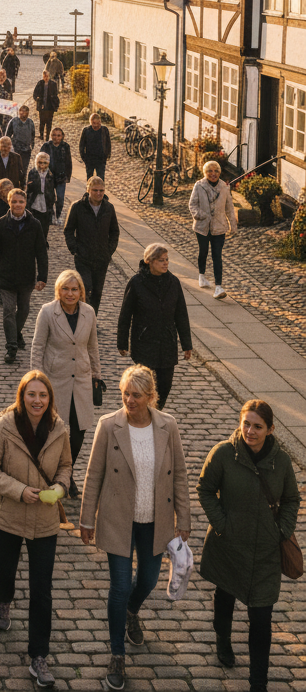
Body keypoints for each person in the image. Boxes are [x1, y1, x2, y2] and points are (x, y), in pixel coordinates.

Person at [80, 365, 191, 692]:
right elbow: (93, 474)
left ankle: (132, 610)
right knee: (120, 583)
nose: (130, 400)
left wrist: (183, 518)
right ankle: (117, 654)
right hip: (118, 518)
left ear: (150, 397)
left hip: (156, 519)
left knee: (148, 579)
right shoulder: (108, 426)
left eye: (137, 395)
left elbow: (181, 474)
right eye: (126, 393)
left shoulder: (167, 427)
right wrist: (87, 518)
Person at [198, 400, 301, 691]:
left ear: (270, 429)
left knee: (261, 618)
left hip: (266, 551)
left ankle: (258, 682)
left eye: (257, 426)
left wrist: (283, 530)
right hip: (229, 546)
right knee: (225, 597)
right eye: (246, 423)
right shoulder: (222, 454)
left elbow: (292, 498)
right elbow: (205, 489)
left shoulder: (280, 462)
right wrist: (223, 525)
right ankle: (223, 638)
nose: (250, 431)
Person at [0, 371, 70, 689]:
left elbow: (66, 466)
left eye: (42, 395)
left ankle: (38, 655)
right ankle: (3, 600)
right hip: (8, 515)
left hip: (45, 521)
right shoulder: (3, 428)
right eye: (31, 394)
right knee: (7, 567)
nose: (37, 400)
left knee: (41, 589)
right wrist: (19, 490)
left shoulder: (59, 429)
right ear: (22, 396)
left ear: (49, 399)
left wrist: (60, 485)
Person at [30, 270, 100, 498]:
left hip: (81, 378)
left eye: (74, 289)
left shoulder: (89, 312)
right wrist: (36, 380)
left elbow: (92, 347)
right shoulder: (48, 312)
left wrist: (96, 376)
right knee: (53, 430)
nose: (70, 294)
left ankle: (66, 475)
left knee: (79, 430)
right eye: (65, 289)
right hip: (55, 378)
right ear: (58, 291)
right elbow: (38, 346)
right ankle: (53, 475)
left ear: (81, 291)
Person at [117, 243, 192, 409]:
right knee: (144, 388)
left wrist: (187, 344)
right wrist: (122, 342)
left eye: (166, 260)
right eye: (160, 260)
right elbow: (125, 315)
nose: (165, 263)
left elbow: (181, 315)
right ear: (149, 261)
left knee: (164, 386)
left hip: (167, 344)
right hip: (144, 344)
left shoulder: (173, 283)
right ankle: (145, 417)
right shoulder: (136, 283)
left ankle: (155, 414)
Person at [0, 187, 49, 363]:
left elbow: (41, 252)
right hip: (6, 276)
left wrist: (43, 277)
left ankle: (16, 333)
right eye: (14, 201)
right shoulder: (1, 223)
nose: (17, 204)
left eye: (21, 201)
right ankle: (11, 346)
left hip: (27, 277)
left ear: (25, 203)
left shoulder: (34, 225)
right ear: (9, 203)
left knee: (24, 309)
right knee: (8, 310)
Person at [64, 176, 120, 314]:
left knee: (97, 291)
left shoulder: (109, 208)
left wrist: (109, 251)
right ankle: (83, 315)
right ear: (88, 190)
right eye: (95, 190)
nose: (99, 193)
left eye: (101, 190)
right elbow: (68, 230)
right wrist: (75, 249)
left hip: (102, 258)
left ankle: (92, 318)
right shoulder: (77, 207)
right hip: (83, 257)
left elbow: (114, 232)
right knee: (86, 288)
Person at [189, 159, 237, 299]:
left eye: (216, 171)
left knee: (217, 255)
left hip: (219, 226)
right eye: (210, 171)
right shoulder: (199, 186)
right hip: (202, 226)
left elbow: (229, 207)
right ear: (205, 173)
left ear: (220, 172)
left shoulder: (224, 187)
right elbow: (192, 205)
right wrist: (200, 215)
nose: (213, 173)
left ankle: (218, 287)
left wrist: (233, 224)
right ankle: (202, 276)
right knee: (203, 252)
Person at [40, 126, 73, 226]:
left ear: (62, 136)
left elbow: (68, 162)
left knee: (60, 198)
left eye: (58, 135)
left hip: (61, 177)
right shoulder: (46, 146)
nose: (56, 137)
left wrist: (68, 176)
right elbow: (40, 160)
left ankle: (58, 215)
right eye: (54, 135)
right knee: (49, 198)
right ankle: (50, 216)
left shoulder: (65, 147)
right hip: (48, 177)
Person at [26, 151, 57, 241]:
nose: (42, 165)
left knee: (45, 224)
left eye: (45, 163)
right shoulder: (33, 172)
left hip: (46, 202)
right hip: (35, 201)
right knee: (34, 222)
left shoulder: (50, 175)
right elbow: (29, 189)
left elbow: (51, 189)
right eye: (40, 162)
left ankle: (43, 241)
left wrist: (52, 201)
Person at [79, 113, 112, 180]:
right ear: (91, 122)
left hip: (101, 159)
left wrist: (106, 155)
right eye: (94, 123)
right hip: (90, 159)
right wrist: (84, 158)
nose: (96, 125)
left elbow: (108, 143)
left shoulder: (104, 130)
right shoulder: (86, 131)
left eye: (98, 123)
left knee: (101, 179)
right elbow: (81, 145)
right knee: (90, 179)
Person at [6, 104, 36, 176]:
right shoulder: (14, 121)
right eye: (22, 111)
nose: (24, 113)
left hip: (26, 149)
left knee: (24, 168)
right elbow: (7, 135)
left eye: (26, 112)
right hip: (16, 148)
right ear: (19, 112)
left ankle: (22, 184)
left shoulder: (30, 122)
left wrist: (32, 145)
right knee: (15, 168)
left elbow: (33, 135)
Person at [33, 70, 60, 142]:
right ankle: (41, 135)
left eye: (47, 76)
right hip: (42, 106)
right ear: (43, 76)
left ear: (49, 76)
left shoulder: (53, 84)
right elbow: (35, 93)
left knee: (49, 122)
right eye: (44, 76)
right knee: (42, 122)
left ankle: (48, 136)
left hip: (50, 106)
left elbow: (56, 94)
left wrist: (55, 103)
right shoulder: (40, 83)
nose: (46, 78)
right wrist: (37, 99)